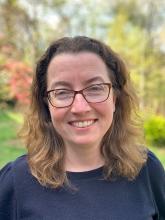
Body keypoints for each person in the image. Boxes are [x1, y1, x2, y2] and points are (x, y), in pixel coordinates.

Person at [0, 36, 164, 220]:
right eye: (62, 92)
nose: (80, 108)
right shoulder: (14, 182)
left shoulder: (147, 169)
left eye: (95, 88)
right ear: (47, 103)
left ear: (115, 97)